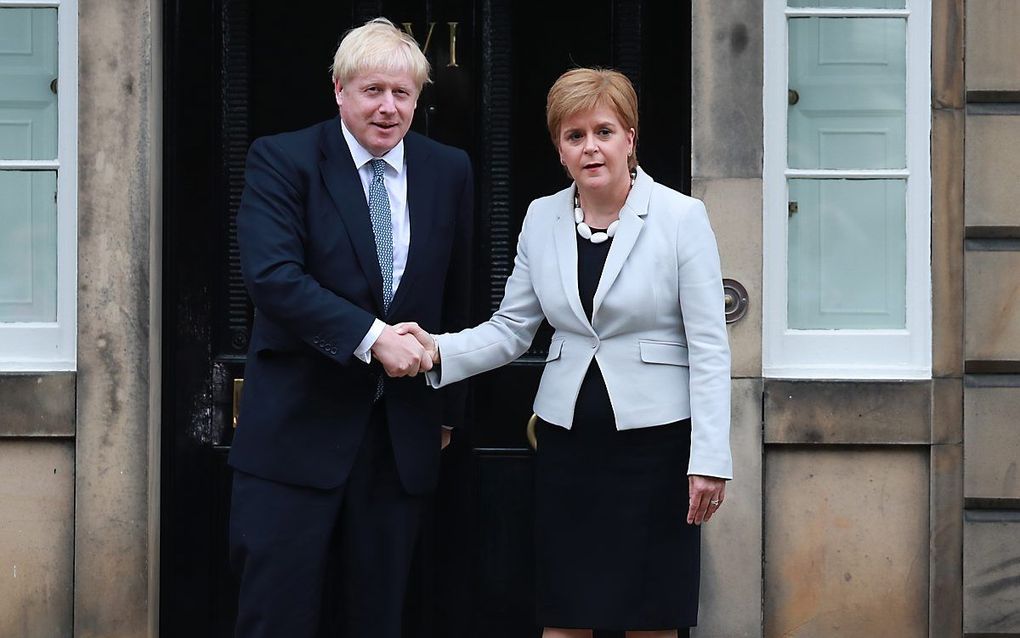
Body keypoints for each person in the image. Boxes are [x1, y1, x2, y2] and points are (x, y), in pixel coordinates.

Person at [399, 68, 731, 637]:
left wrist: (709, 460)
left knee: (651, 617)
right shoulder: (541, 217)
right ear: (559, 149)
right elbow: (511, 330)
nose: (590, 146)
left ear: (630, 138)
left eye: (604, 131)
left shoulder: (681, 217)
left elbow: (708, 347)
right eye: (574, 136)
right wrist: (435, 352)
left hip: (658, 448)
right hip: (568, 444)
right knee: (565, 611)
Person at [227, 18, 472, 638]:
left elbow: (458, 294)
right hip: (294, 437)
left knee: (379, 620)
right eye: (372, 91)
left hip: (400, 443)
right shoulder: (282, 159)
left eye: (403, 93)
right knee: (276, 619)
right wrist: (372, 337)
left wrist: (447, 412)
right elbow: (273, 278)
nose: (388, 108)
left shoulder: (450, 170)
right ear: (339, 90)